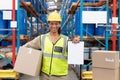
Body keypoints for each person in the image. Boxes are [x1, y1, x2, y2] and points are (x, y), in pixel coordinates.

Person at [23, 11, 80, 80]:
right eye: (52, 24)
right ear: (48, 24)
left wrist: (76, 43)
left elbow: (76, 54)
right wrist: (17, 53)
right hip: (45, 76)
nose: (54, 26)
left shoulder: (66, 40)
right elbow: (28, 46)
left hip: (61, 77)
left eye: (56, 24)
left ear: (59, 24)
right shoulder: (42, 38)